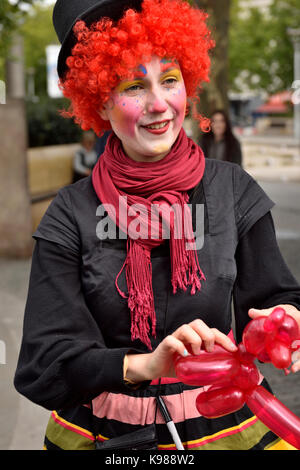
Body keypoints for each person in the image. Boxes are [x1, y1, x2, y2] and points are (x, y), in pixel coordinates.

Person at [14, 0, 300, 451]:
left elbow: (276, 297)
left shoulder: (233, 189)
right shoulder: (71, 211)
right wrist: (146, 365)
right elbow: (43, 363)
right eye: (133, 86)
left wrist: (284, 321)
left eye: (169, 80)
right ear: (100, 102)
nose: (159, 103)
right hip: (103, 436)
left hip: (229, 422)